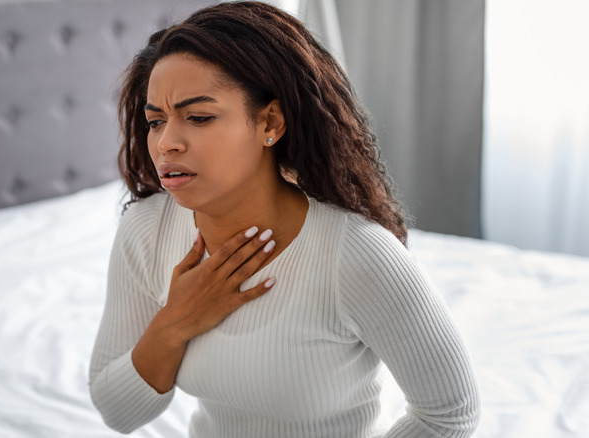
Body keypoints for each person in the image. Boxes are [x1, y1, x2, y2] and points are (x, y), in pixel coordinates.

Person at [89, 2, 480, 437]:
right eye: (155, 121)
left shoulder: (356, 254)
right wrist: (175, 321)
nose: (166, 144)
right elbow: (116, 412)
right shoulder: (148, 230)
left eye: (198, 117)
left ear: (269, 122)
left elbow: (449, 414)